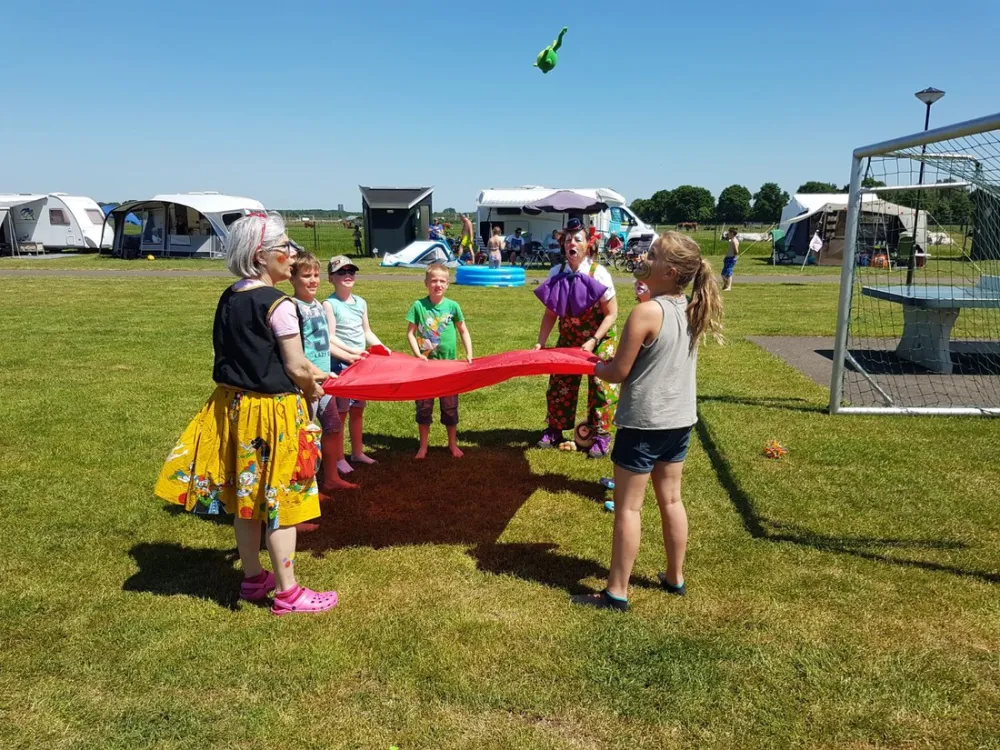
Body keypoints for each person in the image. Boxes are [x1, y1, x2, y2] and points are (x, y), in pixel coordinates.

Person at [153, 212, 338, 616]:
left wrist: (308, 371)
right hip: (272, 412)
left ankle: (254, 578)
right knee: (282, 501)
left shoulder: (230, 295)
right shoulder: (279, 304)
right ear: (261, 255)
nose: (291, 254)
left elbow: (251, 354)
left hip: (233, 408)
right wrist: (313, 387)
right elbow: (294, 366)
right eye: (284, 247)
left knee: (246, 499)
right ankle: (288, 594)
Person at [571, 231, 723, 611]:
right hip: (680, 423)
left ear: (669, 271)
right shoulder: (690, 308)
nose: (643, 257)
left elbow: (619, 371)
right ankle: (675, 578)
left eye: (652, 254)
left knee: (628, 508)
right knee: (672, 500)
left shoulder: (645, 312)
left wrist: (594, 366)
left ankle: (616, 592)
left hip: (643, 425)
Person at [533, 217, 619, 458]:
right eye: (568, 239)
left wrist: (593, 340)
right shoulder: (556, 272)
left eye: (577, 239)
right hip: (569, 336)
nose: (572, 243)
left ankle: (601, 435)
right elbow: (551, 313)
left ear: (587, 245)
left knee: (601, 386)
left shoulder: (599, 273)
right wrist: (541, 341)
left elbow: (612, 314)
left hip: (600, 338)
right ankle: (555, 429)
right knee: (560, 383)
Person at [289, 251, 360, 492]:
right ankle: (305, 486)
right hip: (306, 384)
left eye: (316, 275)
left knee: (332, 427)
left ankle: (331, 478)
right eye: (306, 275)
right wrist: (311, 377)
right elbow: (293, 351)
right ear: (292, 279)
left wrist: (351, 357)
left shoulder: (318, 305)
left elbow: (325, 342)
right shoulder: (292, 308)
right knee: (304, 435)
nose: (313, 280)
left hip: (325, 380)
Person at [323, 256, 390, 476]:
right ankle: (340, 457)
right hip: (342, 365)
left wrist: (381, 346)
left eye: (351, 271)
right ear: (331, 278)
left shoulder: (361, 303)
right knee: (341, 412)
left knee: (358, 410)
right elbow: (330, 337)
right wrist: (352, 353)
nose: (347, 275)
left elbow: (366, 332)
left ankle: (357, 452)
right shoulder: (329, 304)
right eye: (341, 272)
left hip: (360, 364)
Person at [406, 263, 474, 459]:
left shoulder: (453, 306)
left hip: (449, 367)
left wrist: (469, 353)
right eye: (434, 280)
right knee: (424, 407)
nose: (438, 284)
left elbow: (463, 330)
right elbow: (410, 333)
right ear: (426, 283)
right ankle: (423, 446)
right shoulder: (418, 306)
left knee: (450, 407)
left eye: (442, 281)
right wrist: (417, 354)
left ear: (448, 284)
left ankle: (452, 444)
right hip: (425, 366)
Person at [722, 227, 739, 291]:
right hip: (728, 258)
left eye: (728, 233)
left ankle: (729, 287)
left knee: (728, 273)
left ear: (732, 233)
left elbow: (736, 251)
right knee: (723, 273)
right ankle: (725, 285)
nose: (728, 234)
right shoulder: (731, 240)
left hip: (731, 258)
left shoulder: (734, 241)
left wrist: (734, 256)